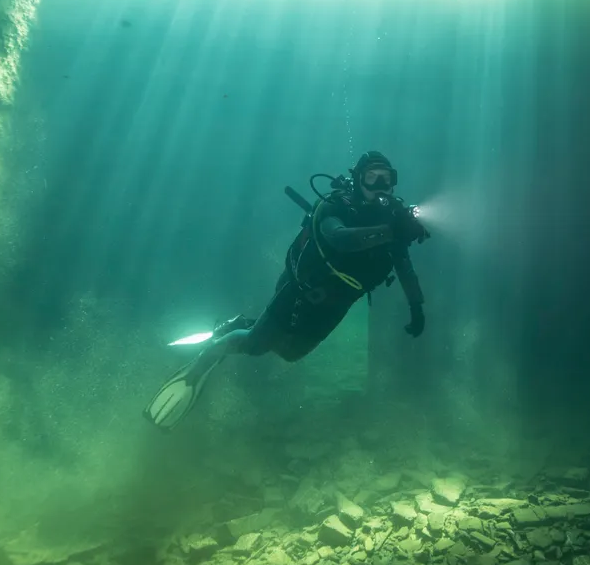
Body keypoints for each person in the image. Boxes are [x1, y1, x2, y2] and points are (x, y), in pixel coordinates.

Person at [146, 150, 430, 428]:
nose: (381, 186)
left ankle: (244, 325)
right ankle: (207, 359)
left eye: (386, 179)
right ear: (357, 180)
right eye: (372, 178)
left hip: (337, 303)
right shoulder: (336, 206)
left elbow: (404, 266)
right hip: (300, 292)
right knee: (256, 346)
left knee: (291, 353)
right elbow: (340, 239)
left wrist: (416, 306)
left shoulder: (394, 219)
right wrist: (393, 231)